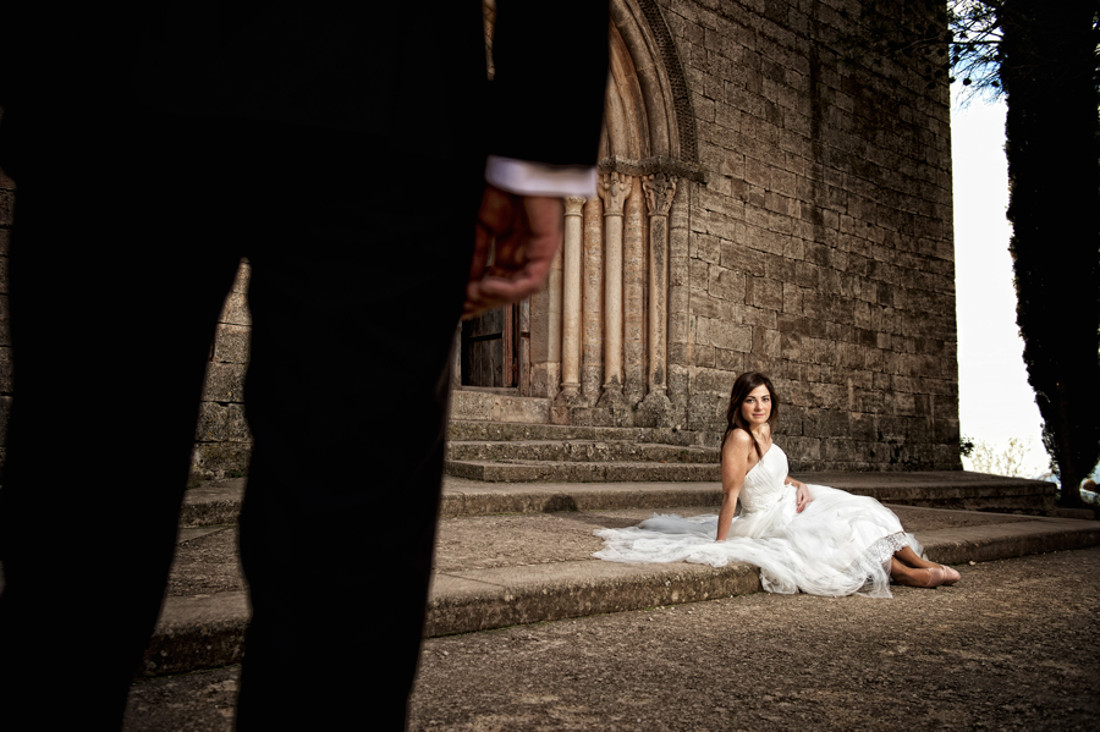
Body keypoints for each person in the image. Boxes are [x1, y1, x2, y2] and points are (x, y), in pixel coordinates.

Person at [0, 2, 609, 729]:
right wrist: (540, 146)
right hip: (387, 86)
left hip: (122, 70)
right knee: (345, 568)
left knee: (77, 508)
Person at [595, 372, 961, 597]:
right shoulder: (738, 439)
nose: (759, 407)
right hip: (769, 517)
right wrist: (720, 545)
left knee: (862, 508)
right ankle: (909, 574)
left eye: (765, 399)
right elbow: (732, 494)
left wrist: (797, 483)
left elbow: (770, 472)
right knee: (839, 531)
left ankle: (917, 561)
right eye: (752, 400)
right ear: (739, 404)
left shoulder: (765, 430)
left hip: (791, 498)